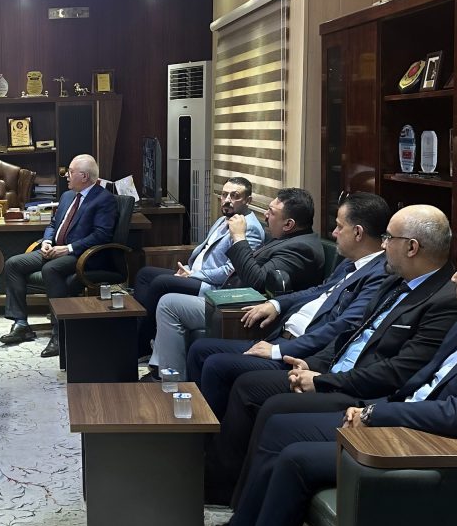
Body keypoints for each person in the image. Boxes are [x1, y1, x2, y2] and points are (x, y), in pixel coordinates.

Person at [227, 230, 457, 526]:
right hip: (405, 416)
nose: (454, 278)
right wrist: (373, 407)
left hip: (441, 449)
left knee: (295, 458)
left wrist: (376, 414)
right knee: (282, 425)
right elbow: (423, 381)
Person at [204, 204, 457, 505]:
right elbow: (351, 334)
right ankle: (232, 498)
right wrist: (312, 364)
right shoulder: (395, 280)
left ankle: (240, 506)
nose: (384, 245)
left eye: (389, 238)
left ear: (412, 247)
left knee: (274, 411)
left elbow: (397, 371)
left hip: (363, 392)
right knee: (250, 387)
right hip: (332, 369)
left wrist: (322, 380)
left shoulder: (443, 300)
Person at [188, 192, 392, 419]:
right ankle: (195, 427)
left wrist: (279, 351)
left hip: (300, 352)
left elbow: (345, 325)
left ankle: (211, 436)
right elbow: (318, 290)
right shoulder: (350, 262)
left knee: (216, 364)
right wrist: (276, 303)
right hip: (281, 335)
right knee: (200, 349)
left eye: (339, 227)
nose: (334, 233)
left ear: (358, 233)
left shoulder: (379, 274)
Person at [143, 188, 325, 380]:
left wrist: (239, 237)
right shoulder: (287, 239)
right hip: (231, 296)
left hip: (245, 310)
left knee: (169, 303)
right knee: (164, 293)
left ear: (288, 224)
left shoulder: (301, 249)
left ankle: (172, 381)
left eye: (271, 212)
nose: (265, 215)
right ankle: (161, 369)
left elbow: (258, 281)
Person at [133, 177, 264, 356]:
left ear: (248, 200)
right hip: (195, 273)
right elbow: (205, 250)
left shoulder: (250, 228)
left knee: (160, 283)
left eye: (234, 196)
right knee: (145, 274)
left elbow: (229, 272)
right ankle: (146, 333)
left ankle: (139, 345)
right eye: (224, 195)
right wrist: (189, 269)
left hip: (215, 286)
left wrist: (194, 274)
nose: (227, 200)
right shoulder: (224, 219)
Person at [0, 154, 116, 357]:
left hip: (82, 255)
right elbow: (53, 224)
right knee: (13, 264)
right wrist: (46, 241)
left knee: (50, 269)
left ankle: (59, 332)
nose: (66, 176)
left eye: (70, 172)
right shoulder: (68, 196)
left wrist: (68, 248)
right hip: (55, 250)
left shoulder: (103, 199)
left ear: (84, 176)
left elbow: (102, 235)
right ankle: (21, 324)